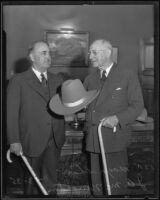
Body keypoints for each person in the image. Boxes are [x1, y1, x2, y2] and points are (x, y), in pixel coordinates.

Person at [83, 39, 144, 196]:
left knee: (115, 187)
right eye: (90, 52)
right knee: (97, 188)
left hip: (115, 139)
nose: (90, 56)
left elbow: (137, 105)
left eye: (94, 52)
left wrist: (117, 118)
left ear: (108, 52)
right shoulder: (89, 79)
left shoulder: (127, 74)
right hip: (94, 140)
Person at [7, 41, 65, 196]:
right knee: (31, 183)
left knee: (51, 183)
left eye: (49, 53)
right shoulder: (18, 81)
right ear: (32, 57)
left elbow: (63, 107)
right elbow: (11, 113)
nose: (48, 56)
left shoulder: (57, 79)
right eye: (43, 53)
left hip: (54, 139)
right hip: (31, 140)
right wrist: (14, 140)